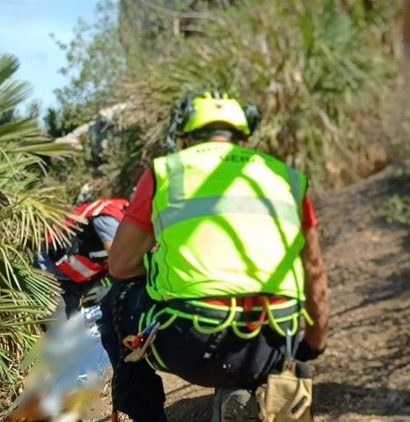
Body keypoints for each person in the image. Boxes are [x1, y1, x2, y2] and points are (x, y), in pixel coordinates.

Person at [99, 91, 330, 422]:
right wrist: (313, 343)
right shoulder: (287, 178)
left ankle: (144, 415)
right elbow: (314, 270)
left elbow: (120, 265)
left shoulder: (165, 172)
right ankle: (265, 383)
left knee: (115, 299)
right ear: (243, 134)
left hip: (193, 343)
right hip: (275, 342)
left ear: (185, 135)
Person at [34, 197, 129, 320]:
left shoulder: (123, 218)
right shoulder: (110, 217)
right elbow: (119, 260)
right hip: (49, 265)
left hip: (74, 280)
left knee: (71, 324)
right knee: (56, 322)